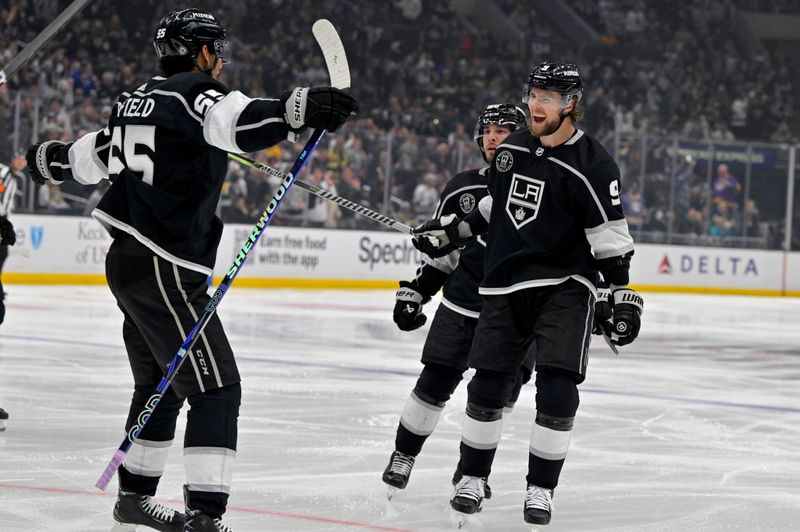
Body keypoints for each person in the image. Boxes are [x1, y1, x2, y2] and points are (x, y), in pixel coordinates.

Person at [25, 9, 357, 532]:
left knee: (161, 378)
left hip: (131, 260)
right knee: (217, 388)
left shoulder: (134, 99)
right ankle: (206, 514)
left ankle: (134, 497)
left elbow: (89, 158)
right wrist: (303, 106)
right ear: (201, 52)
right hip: (164, 264)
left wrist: (49, 159)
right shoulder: (194, 93)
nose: (221, 62)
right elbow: (241, 122)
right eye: (216, 51)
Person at [412, 61, 643, 527]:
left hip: (565, 288)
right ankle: (473, 478)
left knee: (558, 388)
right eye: (533, 95)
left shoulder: (594, 164)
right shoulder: (513, 150)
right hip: (502, 284)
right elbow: (492, 207)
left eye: (547, 98)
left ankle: (540, 489)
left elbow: (611, 238)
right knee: (488, 385)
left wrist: (618, 294)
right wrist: (451, 233)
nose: (535, 105)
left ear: (570, 104)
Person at [382, 104, 529, 497]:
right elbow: (444, 252)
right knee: (434, 381)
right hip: (462, 303)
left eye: (505, 130)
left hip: (518, 313)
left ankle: (472, 473)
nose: (495, 137)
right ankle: (403, 455)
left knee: (499, 397)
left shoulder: (543, 186)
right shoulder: (462, 186)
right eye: (489, 130)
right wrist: (418, 289)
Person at [0, 151, 22, 326]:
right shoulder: (3, 172)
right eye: (18, 158)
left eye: (23, 160)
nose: (21, 162)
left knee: (2, 253)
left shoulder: (15, 179)